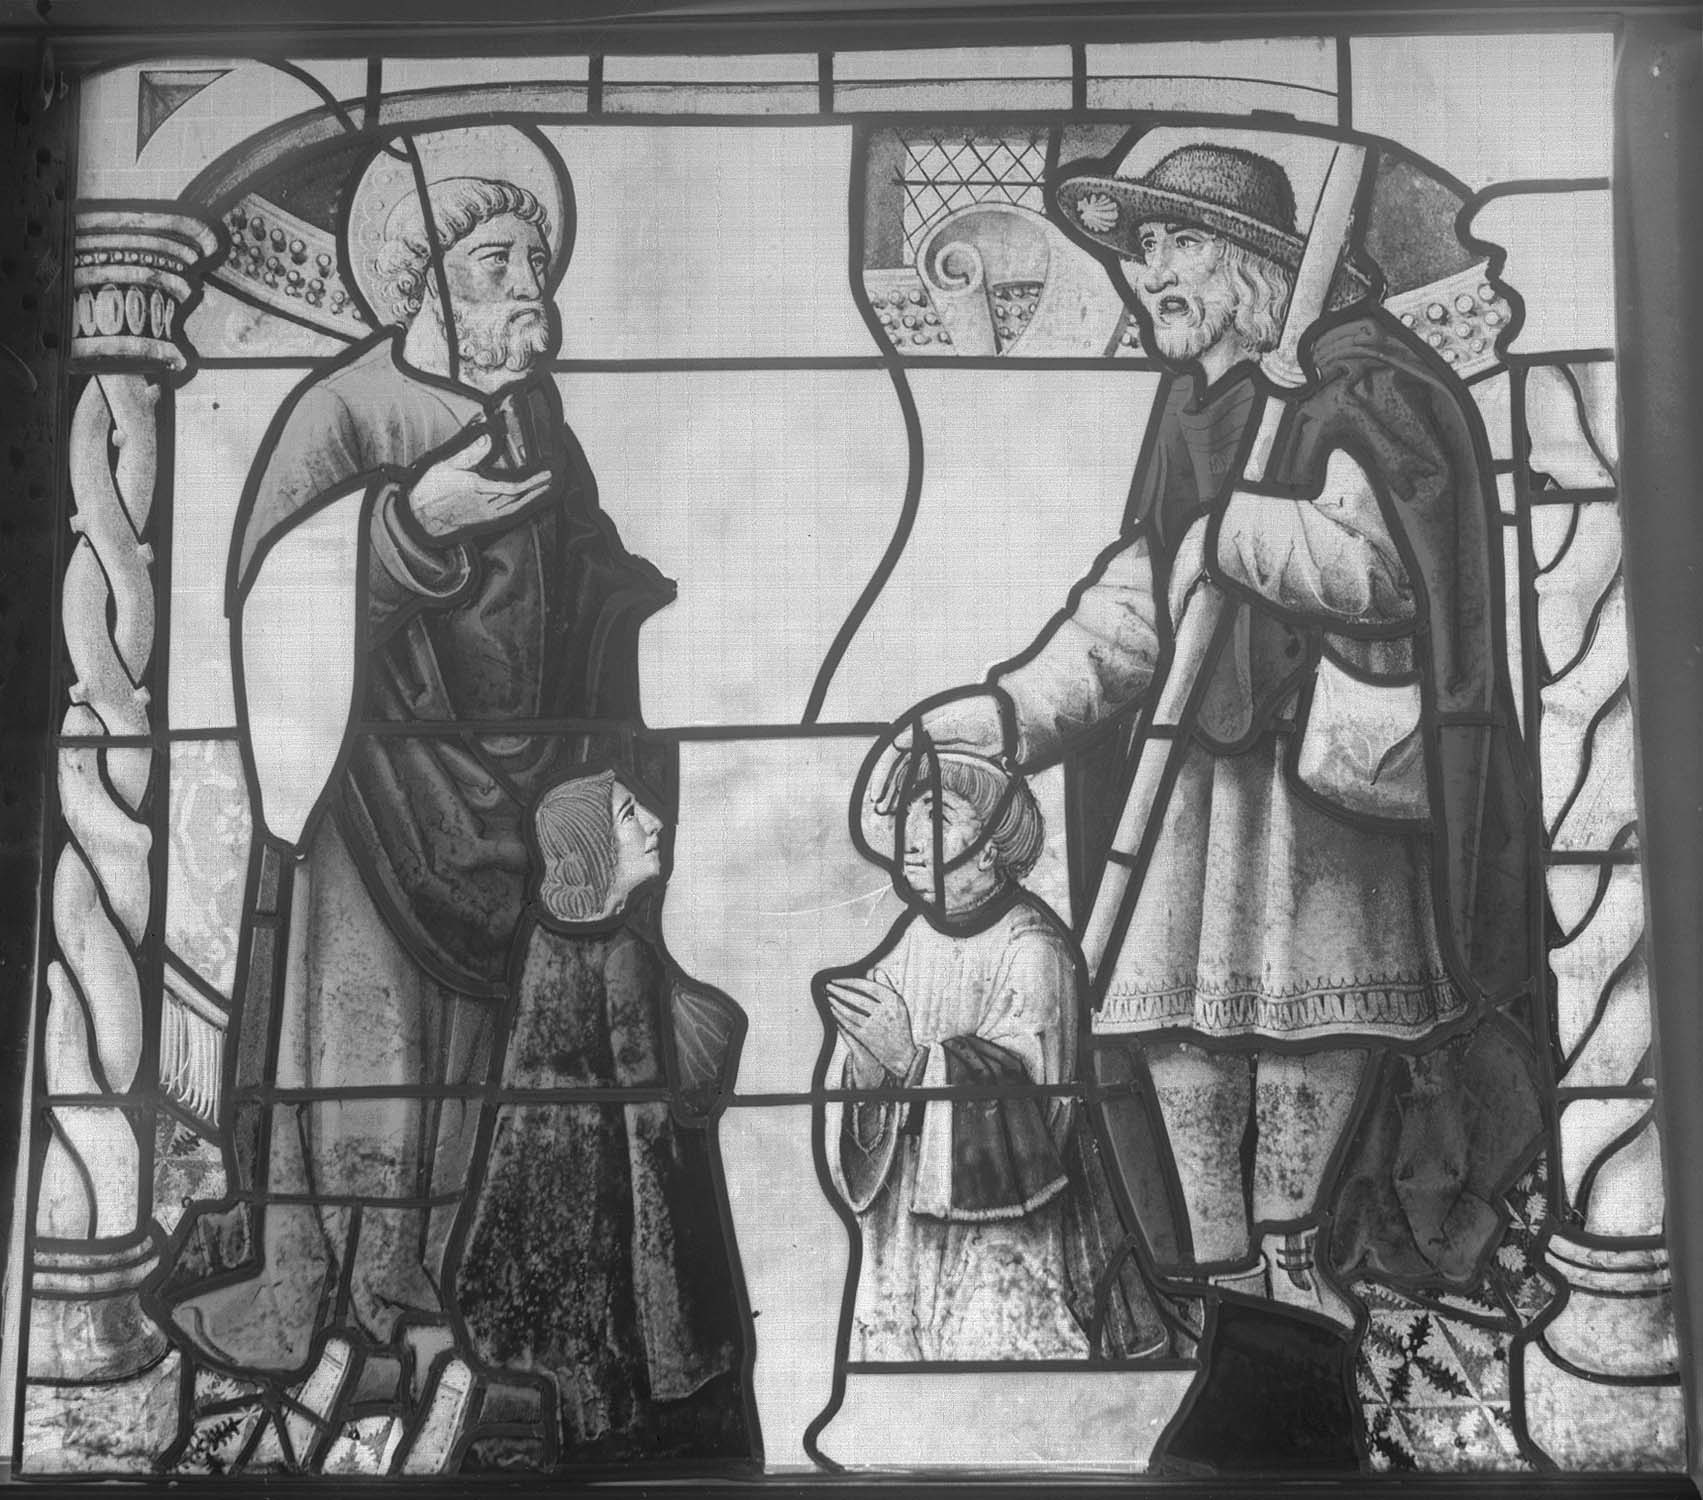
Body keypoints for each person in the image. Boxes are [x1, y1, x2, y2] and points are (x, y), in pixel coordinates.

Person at [885, 140, 1539, 1356]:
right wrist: (1008, 715)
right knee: (1173, 1032)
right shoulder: (1193, 407)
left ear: (1246, 261)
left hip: (1321, 789)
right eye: (1140, 249)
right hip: (1190, 785)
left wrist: (1233, 533)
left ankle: (1293, 1251)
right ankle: (1220, 1261)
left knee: (1310, 1030)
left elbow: (1393, 572)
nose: (1147, 276)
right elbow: (1138, 605)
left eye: (1173, 244)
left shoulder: (1353, 384)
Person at [158, 138, 676, 1435]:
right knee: (368, 1062)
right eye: (495, 263)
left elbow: (578, 576)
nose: (529, 292)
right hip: (373, 806)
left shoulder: (535, 417)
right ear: (416, 278)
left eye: (536, 264)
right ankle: (339, 1305)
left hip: (510, 812)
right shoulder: (340, 414)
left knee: (470, 1079)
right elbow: (269, 610)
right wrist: (406, 525)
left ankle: (427, 1303)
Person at [821, 746, 1172, 1362]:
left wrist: (912, 1062)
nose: (910, 837)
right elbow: (868, 1121)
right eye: (907, 814)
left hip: (1008, 1255)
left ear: (989, 848)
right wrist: (869, 1073)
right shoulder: (908, 943)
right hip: (908, 1248)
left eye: (937, 815)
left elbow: (1037, 1116)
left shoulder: (1034, 951)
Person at [450, 768, 757, 1471]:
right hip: (612, 1230)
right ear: (593, 847)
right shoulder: (623, 956)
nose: (653, 822)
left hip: (537, 1218)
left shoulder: (543, 941)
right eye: (627, 815)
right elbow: (650, 1132)